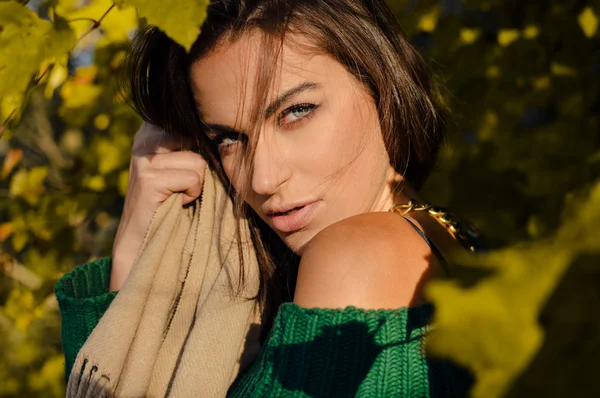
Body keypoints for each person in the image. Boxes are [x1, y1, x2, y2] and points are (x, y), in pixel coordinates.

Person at [56, 0, 481, 396]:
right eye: (228, 138)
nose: (261, 178)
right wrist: (134, 241)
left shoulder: (352, 256)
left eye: (296, 111)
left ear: (379, 83)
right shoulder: (445, 235)